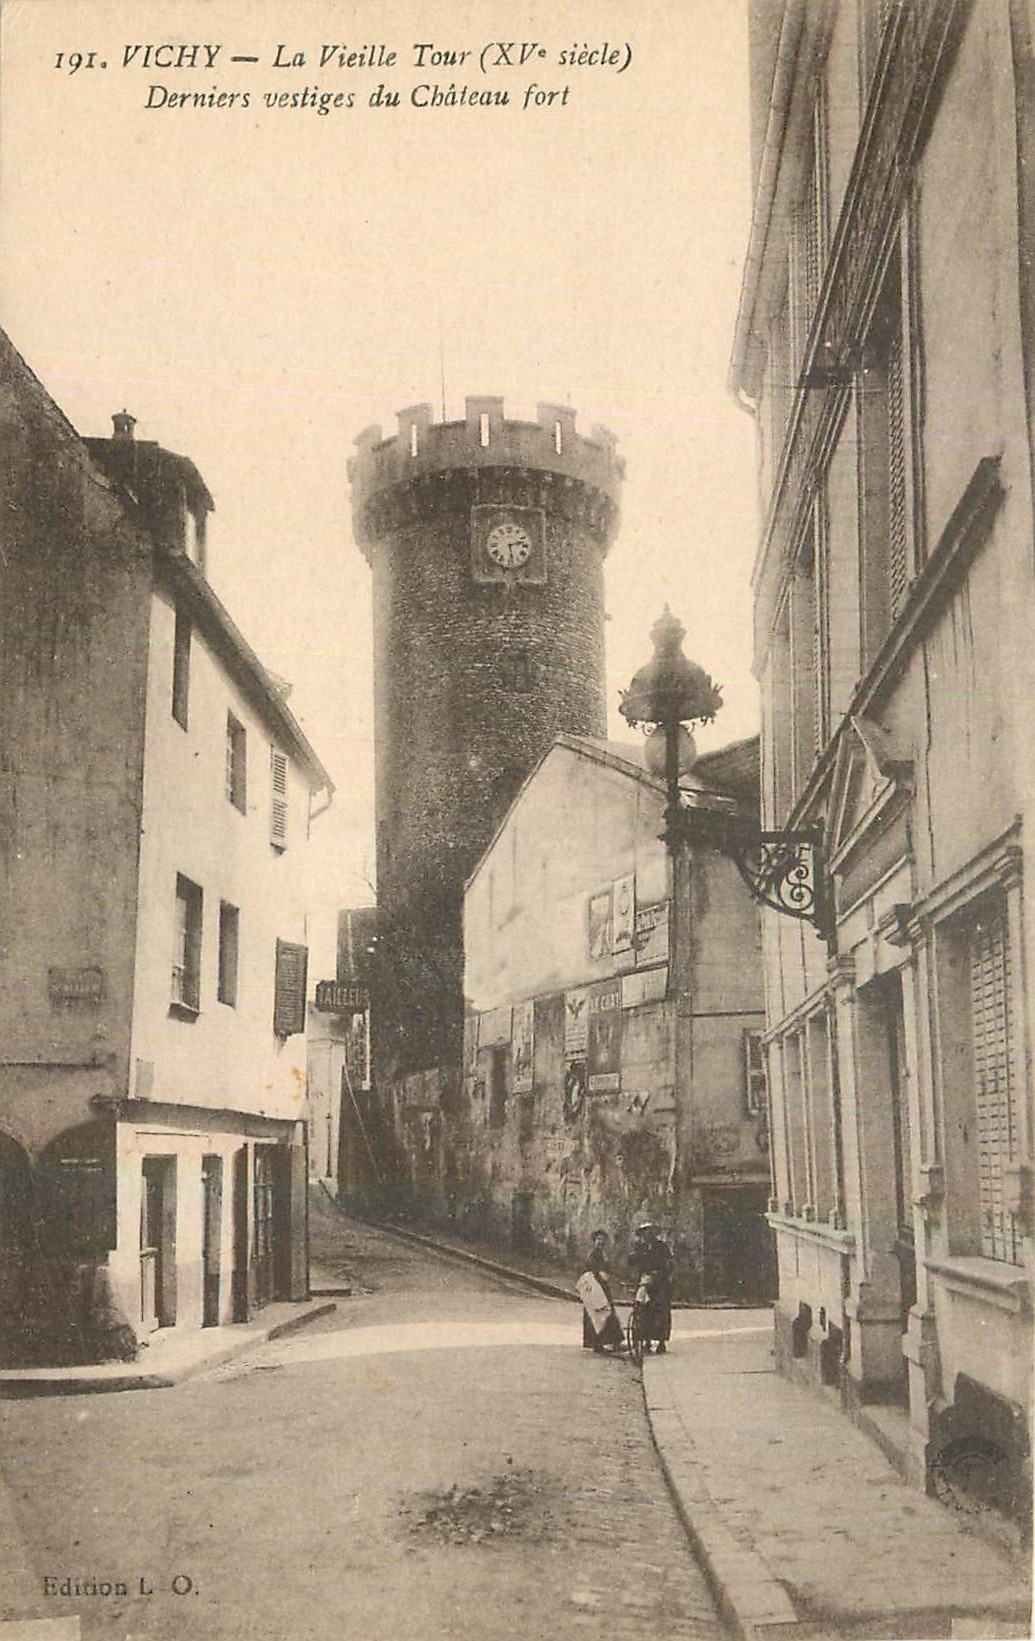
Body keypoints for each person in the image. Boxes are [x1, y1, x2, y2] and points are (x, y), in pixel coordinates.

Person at [630, 1223, 673, 1353]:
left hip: (660, 1282)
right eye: (645, 1233)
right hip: (645, 1281)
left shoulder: (662, 1247)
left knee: (661, 1311)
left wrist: (662, 1275)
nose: (648, 1235)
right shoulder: (640, 1248)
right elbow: (633, 1263)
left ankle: (661, 1342)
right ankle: (646, 1341)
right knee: (643, 1310)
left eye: (650, 1232)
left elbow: (669, 1264)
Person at [579, 1229, 624, 1353]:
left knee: (607, 1313)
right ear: (594, 1241)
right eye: (598, 1239)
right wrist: (599, 1274)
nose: (600, 1242)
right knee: (597, 1314)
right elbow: (590, 1270)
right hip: (595, 1288)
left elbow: (608, 1269)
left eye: (602, 1239)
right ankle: (597, 1343)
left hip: (603, 1288)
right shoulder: (593, 1254)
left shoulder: (603, 1254)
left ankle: (613, 1342)